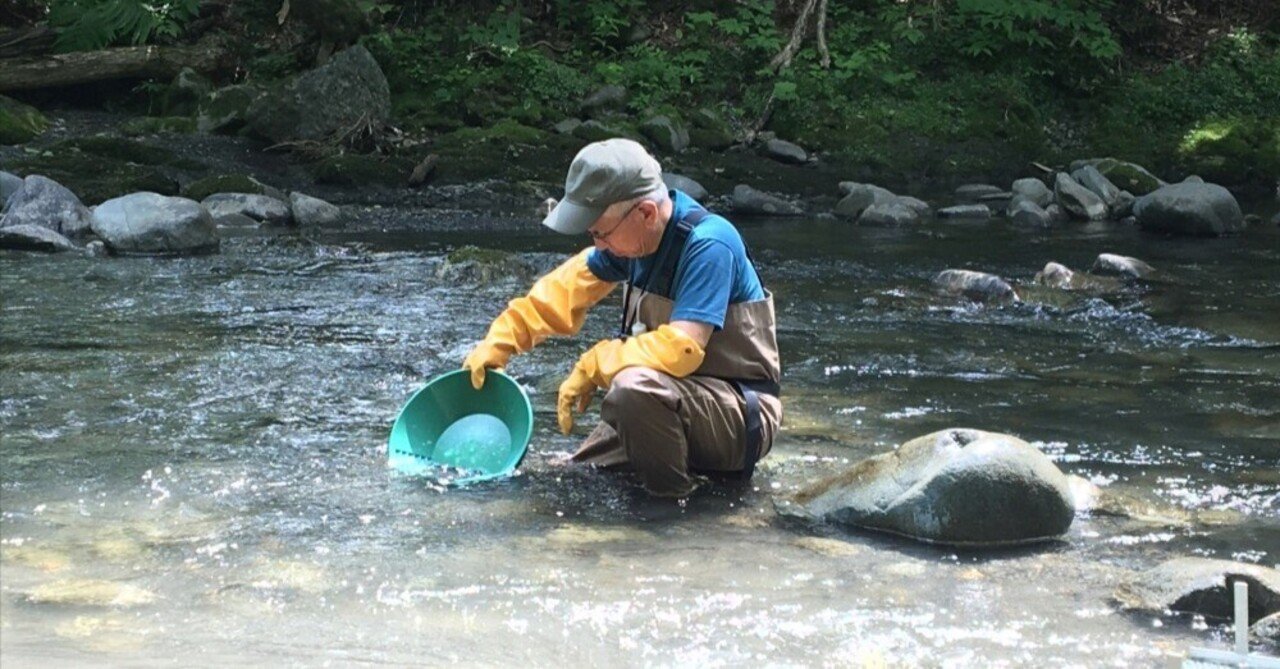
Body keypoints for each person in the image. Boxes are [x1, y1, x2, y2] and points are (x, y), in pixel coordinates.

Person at [463, 138, 782, 497]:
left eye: (601, 232)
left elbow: (682, 348)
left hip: (740, 416)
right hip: (670, 404)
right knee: (569, 477)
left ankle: (675, 507)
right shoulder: (634, 241)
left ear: (646, 213)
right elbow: (563, 289)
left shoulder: (710, 245)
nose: (597, 243)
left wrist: (595, 364)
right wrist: (501, 340)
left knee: (629, 388)